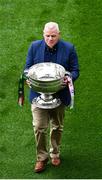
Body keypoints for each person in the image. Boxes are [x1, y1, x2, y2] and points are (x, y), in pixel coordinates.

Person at [24, 22, 79, 173]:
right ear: (43, 34)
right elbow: (27, 68)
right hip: (38, 96)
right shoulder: (34, 46)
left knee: (57, 126)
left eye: (53, 36)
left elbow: (75, 70)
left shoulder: (69, 48)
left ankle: (55, 153)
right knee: (39, 128)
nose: (50, 39)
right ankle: (41, 158)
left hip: (60, 95)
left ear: (59, 34)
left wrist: (69, 79)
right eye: (47, 36)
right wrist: (28, 77)